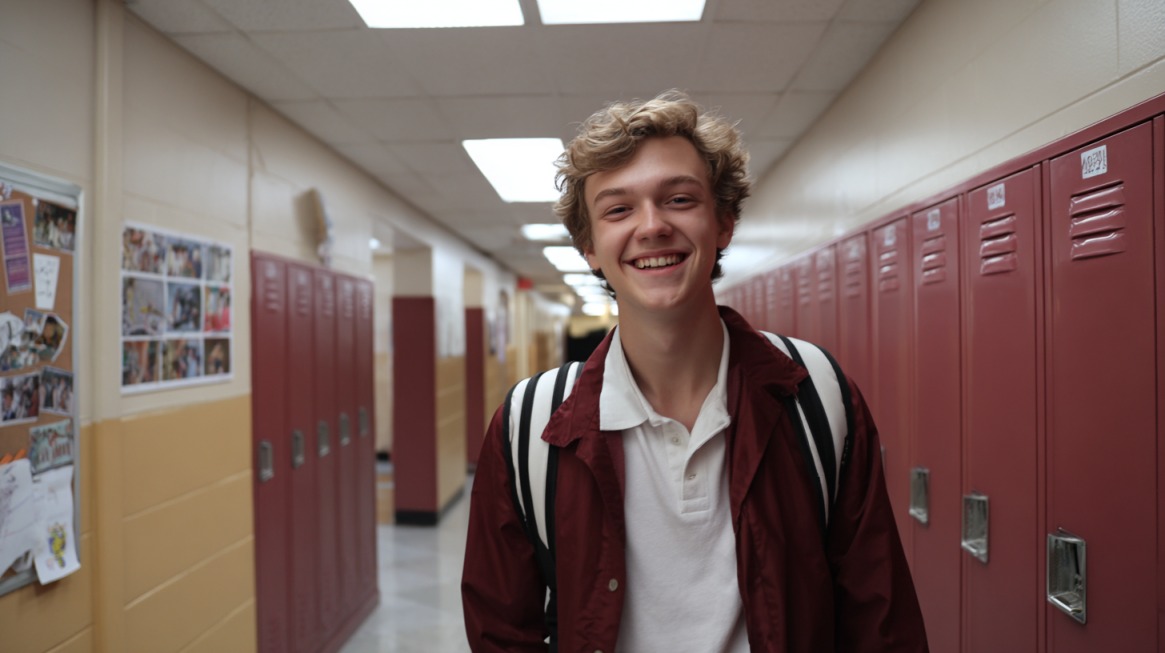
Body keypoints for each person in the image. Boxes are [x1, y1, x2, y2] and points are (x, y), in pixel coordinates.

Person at [461, 91, 928, 652]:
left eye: (679, 199)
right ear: (589, 246)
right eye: (618, 209)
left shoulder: (817, 396)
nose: (652, 226)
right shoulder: (528, 424)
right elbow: (500, 631)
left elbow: (880, 619)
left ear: (723, 222)